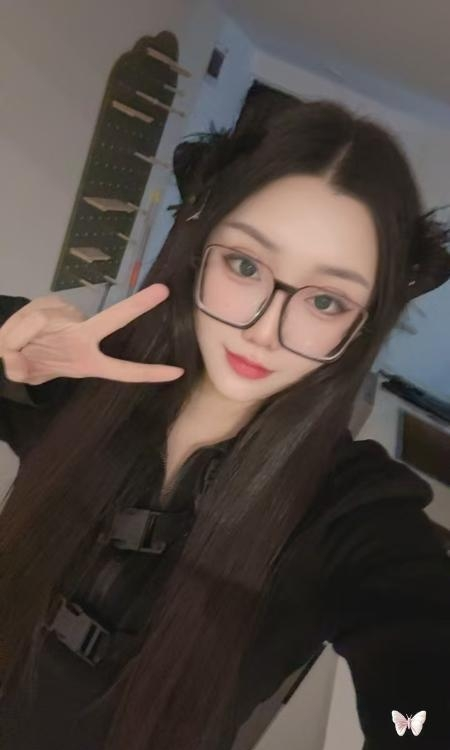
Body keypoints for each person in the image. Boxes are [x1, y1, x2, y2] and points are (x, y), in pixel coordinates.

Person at [0, 98, 450, 750]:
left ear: (360, 326)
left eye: (325, 301)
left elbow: (422, 676)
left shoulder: (350, 511)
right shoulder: (79, 383)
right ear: (200, 253)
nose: (264, 329)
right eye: (245, 265)